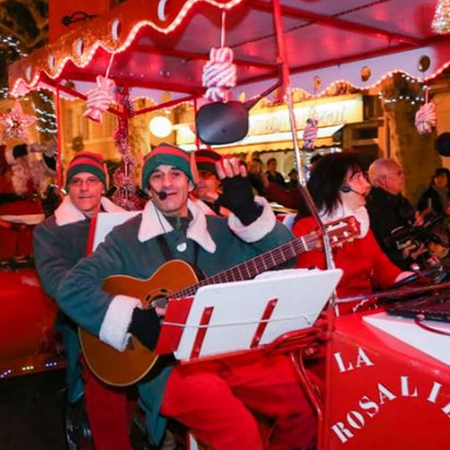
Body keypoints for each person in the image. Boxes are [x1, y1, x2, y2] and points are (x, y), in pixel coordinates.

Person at [57, 142, 316, 450]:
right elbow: (71, 287)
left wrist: (249, 212)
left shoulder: (221, 230)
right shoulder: (127, 237)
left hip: (229, 353)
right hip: (168, 368)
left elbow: (284, 258)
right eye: (157, 176)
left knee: (307, 404)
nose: (167, 182)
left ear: (191, 183)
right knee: (237, 429)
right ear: (148, 189)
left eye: (176, 174)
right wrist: (131, 317)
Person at [33, 151, 135, 450]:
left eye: (92, 180)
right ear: (67, 188)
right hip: (81, 319)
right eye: (76, 181)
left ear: (103, 186)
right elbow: (56, 282)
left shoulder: (128, 222)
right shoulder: (50, 231)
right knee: (106, 377)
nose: (84, 188)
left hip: (133, 308)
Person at [293, 153, 412, 313]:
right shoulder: (308, 227)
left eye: (364, 176)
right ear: (339, 186)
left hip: (366, 307)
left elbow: (380, 265)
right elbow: (312, 290)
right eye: (357, 177)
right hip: (334, 317)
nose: (367, 184)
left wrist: (406, 279)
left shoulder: (359, 220)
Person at [0, 142, 55, 261]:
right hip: (6, 223)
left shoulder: (32, 168)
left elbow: (49, 171)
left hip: (32, 223)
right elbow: (6, 155)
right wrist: (27, 148)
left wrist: (48, 156)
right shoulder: (4, 166)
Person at [367, 158, 424, 270]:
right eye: (398, 173)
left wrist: (418, 224)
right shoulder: (372, 208)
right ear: (382, 180)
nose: (404, 176)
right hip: (389, 272)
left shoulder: (400, 200)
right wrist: (399, 255)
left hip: (410, 263)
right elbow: (372, 251)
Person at [192, 148, 229, 216]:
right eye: (195, 175)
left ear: (218, 179)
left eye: (204, 174)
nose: (199, 180)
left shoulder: (231, 203)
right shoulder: (184, 207)